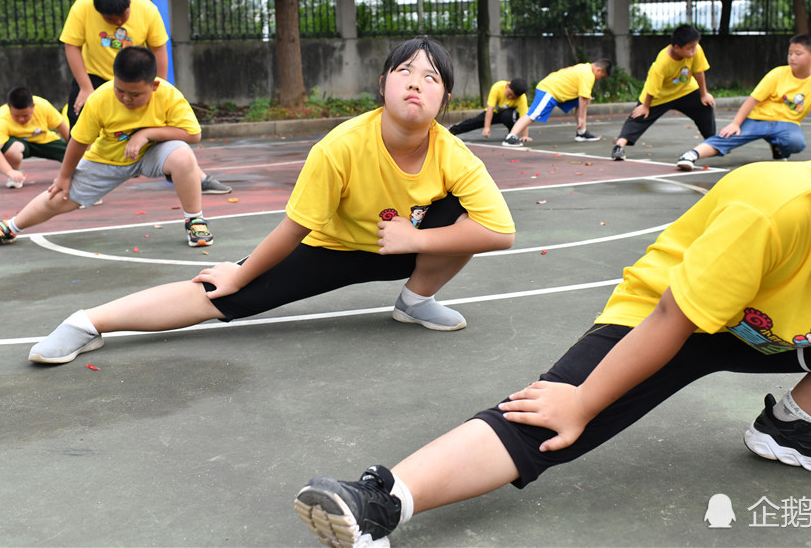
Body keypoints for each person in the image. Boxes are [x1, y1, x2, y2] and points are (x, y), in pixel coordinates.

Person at [295, 90, 811, 547]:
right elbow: (672, 318)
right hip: (671, 314)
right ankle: (378, 501)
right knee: (553, 421)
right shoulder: (775, 208)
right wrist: (583, 401)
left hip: (780, 337)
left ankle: (793, 427)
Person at [25, 37, 516, 365]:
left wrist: (416, 237)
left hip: (399, 247)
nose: (416, 82)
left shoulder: (454, 153)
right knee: (221, 297)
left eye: (431, 78)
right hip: (330, 249)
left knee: (464, 214)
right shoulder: (341, 146)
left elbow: (501, 231)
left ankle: (415, 301)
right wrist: (239, 274)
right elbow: (295, 227)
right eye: (405, 71)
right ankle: (87, 322)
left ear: (444, 99)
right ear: (382, 83)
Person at [0, 46, 216, 250]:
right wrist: (64, 176)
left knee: (183, 156)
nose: (126, 99)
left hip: (152, 154)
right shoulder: (101, 98)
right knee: (58, 196)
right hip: (108, 157)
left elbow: (193, 134)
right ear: (114, 80)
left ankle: (194, 219)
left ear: (154, 86)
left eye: (135, 94)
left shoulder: (169, 95)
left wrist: (146, 134)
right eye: (120, 90)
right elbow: (78, 141)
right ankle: (9, 228)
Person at [60, 0, 231, 194]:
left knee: (160, 124)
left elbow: (159, 48)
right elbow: (72, 46)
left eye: (123, 16)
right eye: (110, 19)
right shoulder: (82, 7)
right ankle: (73, 183)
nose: (119, 22)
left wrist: (157, 86)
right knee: (79, 125)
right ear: (97, 11)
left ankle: (193, 175)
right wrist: (86, 88)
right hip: (94, 75)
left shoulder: (147, 9)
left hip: (133, 76)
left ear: (129, 1)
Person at [676, 35, 811, 172]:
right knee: (728, 136)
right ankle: (691, 155)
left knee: (796, 142)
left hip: (787, 124)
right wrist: (736, 123)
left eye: (798, 53)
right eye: (790, 53)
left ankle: (779, 149)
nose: (792, 57)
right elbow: (753, 99)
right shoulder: (777, 74)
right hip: (758, 120)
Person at [611, 24, 715, 161]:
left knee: (705, 106)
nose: (694, 50)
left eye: (695, 46)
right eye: (690, 48)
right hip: (660, 95)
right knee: (640, 115)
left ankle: (714, 143)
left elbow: (699, 71)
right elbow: (653, 87)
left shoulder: (696, 50)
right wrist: (646, 106)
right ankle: (619, 146)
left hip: (686, 90)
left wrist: (703, 94)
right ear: (676, 47)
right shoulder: (663, 62)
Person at [502, 60, 611, 146]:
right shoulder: (588, 75)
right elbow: (582, 99)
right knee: (533, 114)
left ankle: (582, 133)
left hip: (558, 91)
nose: (599, 79)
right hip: (549, 90)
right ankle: (510, 137)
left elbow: (584, 98)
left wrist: (582, 119)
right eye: (601, 76)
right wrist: (581, 119)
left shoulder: (585, 67)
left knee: (585, 99)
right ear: (598, 70)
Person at [0, 87, 69, 189]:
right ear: (9, 108)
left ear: (33, 107)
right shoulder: (1, 116)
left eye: (26, 115)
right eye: (16, 116)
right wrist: (9, 172)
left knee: (76, 155)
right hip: (19, 144)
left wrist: (74, 147)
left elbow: (61, 126)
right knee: (14, 150)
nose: (21, 119)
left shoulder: (43, 105)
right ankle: (16, 175)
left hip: (44, 140)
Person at [447, 78, 528, 139]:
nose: (510, 97)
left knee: (509, 115)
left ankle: (512, 135)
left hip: (507, 114)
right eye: (509, 94)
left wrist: (525, 136)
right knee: (476, 121)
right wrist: (487, 127)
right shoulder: (497, 87)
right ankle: (453, 130)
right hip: (493, 113)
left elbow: (524, 118)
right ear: (507, 85)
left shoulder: (522, 98)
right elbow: (490, 109)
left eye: (513, 97)